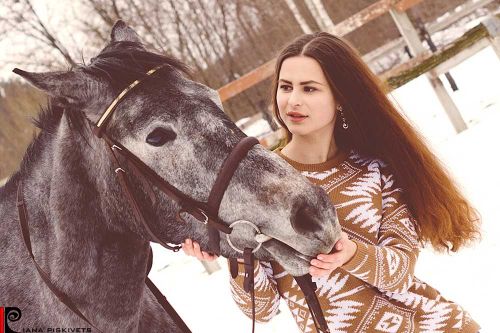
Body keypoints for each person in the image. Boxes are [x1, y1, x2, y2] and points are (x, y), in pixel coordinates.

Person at [182, 32, 480, 332]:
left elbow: (399, 273)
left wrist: (352, 254)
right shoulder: (256, 186)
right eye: (286, 87)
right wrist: (237, 254)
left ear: (340, 98)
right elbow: (263, 308)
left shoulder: (375, 171)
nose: (293, 100)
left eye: (309, 88)